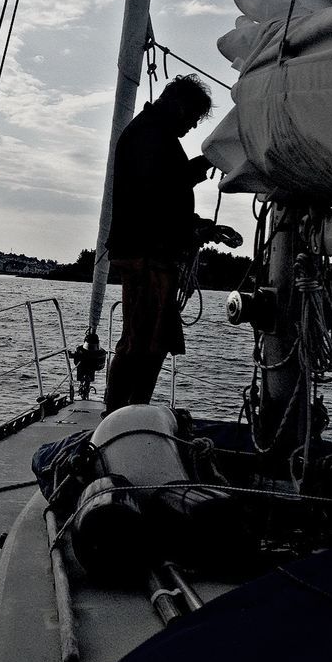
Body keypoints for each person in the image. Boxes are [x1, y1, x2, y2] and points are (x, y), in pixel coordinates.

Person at [104, 74, 241, 412]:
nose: (193, 126)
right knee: (143, 343)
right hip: (147, 256)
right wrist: (203, 228)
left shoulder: (151, 135)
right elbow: (158, 198)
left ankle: (127, 414)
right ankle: (120, 417)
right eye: (193, 118)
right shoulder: (151, 137)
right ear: (179, 106)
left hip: (146, 253)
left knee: (150, 341)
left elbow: (163, 190)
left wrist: (203, 228)